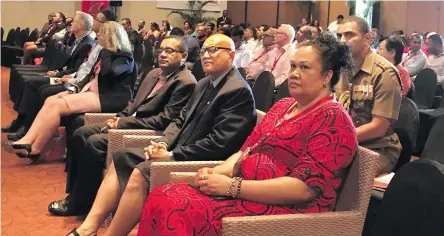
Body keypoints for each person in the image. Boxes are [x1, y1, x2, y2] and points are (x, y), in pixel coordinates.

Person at [137, 32, 358, 235]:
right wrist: (216, 173)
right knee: (162, 195)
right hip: (247, 192)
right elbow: (245, 151)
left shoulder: (332, 118)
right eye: (292, 66)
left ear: (327, 76)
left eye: (304, 68)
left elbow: (304, 189)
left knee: (179, 208)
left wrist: (232, 187)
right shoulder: (284, 105)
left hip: (288, 211)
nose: (294, 74)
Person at [65, 34, 256, 236]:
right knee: (122, 157)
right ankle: (89, 228)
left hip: (202, 161)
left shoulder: (237, 91)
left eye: (214, 50)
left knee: (142, 171)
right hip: (177, 151)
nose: (206, 55)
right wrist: (162, 144)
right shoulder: (205, 84)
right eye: (203, 51)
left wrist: (173, 156)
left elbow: (219, 144)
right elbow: (179, 121)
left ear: (232, 55)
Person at [48, 35, 197, 216]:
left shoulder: (185, 82)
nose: (163, 54)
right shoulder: (153, 74)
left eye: (170, 51)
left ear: (184, 56)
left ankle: (82, 203)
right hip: (129, 122)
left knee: (93, 142)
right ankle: (76, 194)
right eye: (161, 50)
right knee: (80, 131)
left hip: (147, 131)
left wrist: (123, 122)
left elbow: (164, 120)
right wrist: (118, 117)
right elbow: (134, 103)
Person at [2, 21, 134, 161]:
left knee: (57, 106)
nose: (98, 36)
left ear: (110, 36)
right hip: (91, 92)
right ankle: (29, 141)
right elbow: (90, 76)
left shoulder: (125, 57)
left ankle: (35, 147)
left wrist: (107, 52)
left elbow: (110, 72)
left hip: (108, 98)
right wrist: (75, 88)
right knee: (51, 100)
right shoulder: (106, 53)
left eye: (101, 34)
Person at [2, 11, 96, 140]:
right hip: (62, 74)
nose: (71, 23)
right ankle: (20, 122)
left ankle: (26, 126)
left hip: (68, 80)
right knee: (30, 83)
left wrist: (59, 73)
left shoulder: (87, 43)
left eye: (74, 21)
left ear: (80, 26)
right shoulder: (78, 40)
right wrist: (59, 71)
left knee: (36, 86)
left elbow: (77, 69)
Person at [335, 16, 402, 175]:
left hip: (376, 148)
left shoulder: (385, 73)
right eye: (340, 36)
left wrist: (340, 139)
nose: (343, 41)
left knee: (332, 172)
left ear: (367, 39)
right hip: (346, 142)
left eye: (349, 35)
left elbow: (379, 127)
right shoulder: (342, 69)